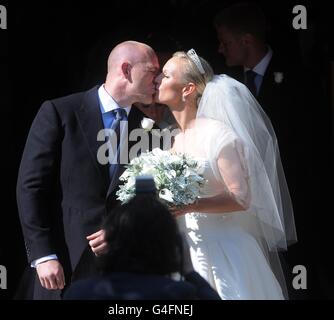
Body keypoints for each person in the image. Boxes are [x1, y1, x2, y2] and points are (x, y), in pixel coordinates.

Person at [16, 41, 160, 299]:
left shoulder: (150, 128)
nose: (158, 79)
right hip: (63, 263)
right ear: (126, 70)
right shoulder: (60, 112)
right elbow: (30, 187)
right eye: (152, 71)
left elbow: (150, 197)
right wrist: (43, 254)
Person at [154, 49, 297, 300]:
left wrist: (191, 205)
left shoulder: (219, 136)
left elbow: (241, 198)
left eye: (165, 76)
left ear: (187, 89)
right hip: (186, 250)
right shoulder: (176, 140)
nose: (157, 80)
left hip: (224, 251)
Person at [214, 3, 324, 298]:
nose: (220, 49)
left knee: (303, 279)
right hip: (251, 207)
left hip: (299, 201)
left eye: (225, 42)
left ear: (246, 40)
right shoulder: (227, 87)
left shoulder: (302, 79)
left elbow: (313, 144)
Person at [64, 176, 220, 300]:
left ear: (112, 244)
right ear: (171, 244)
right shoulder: (177, 293)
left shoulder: (80, 293)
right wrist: (189, 271)